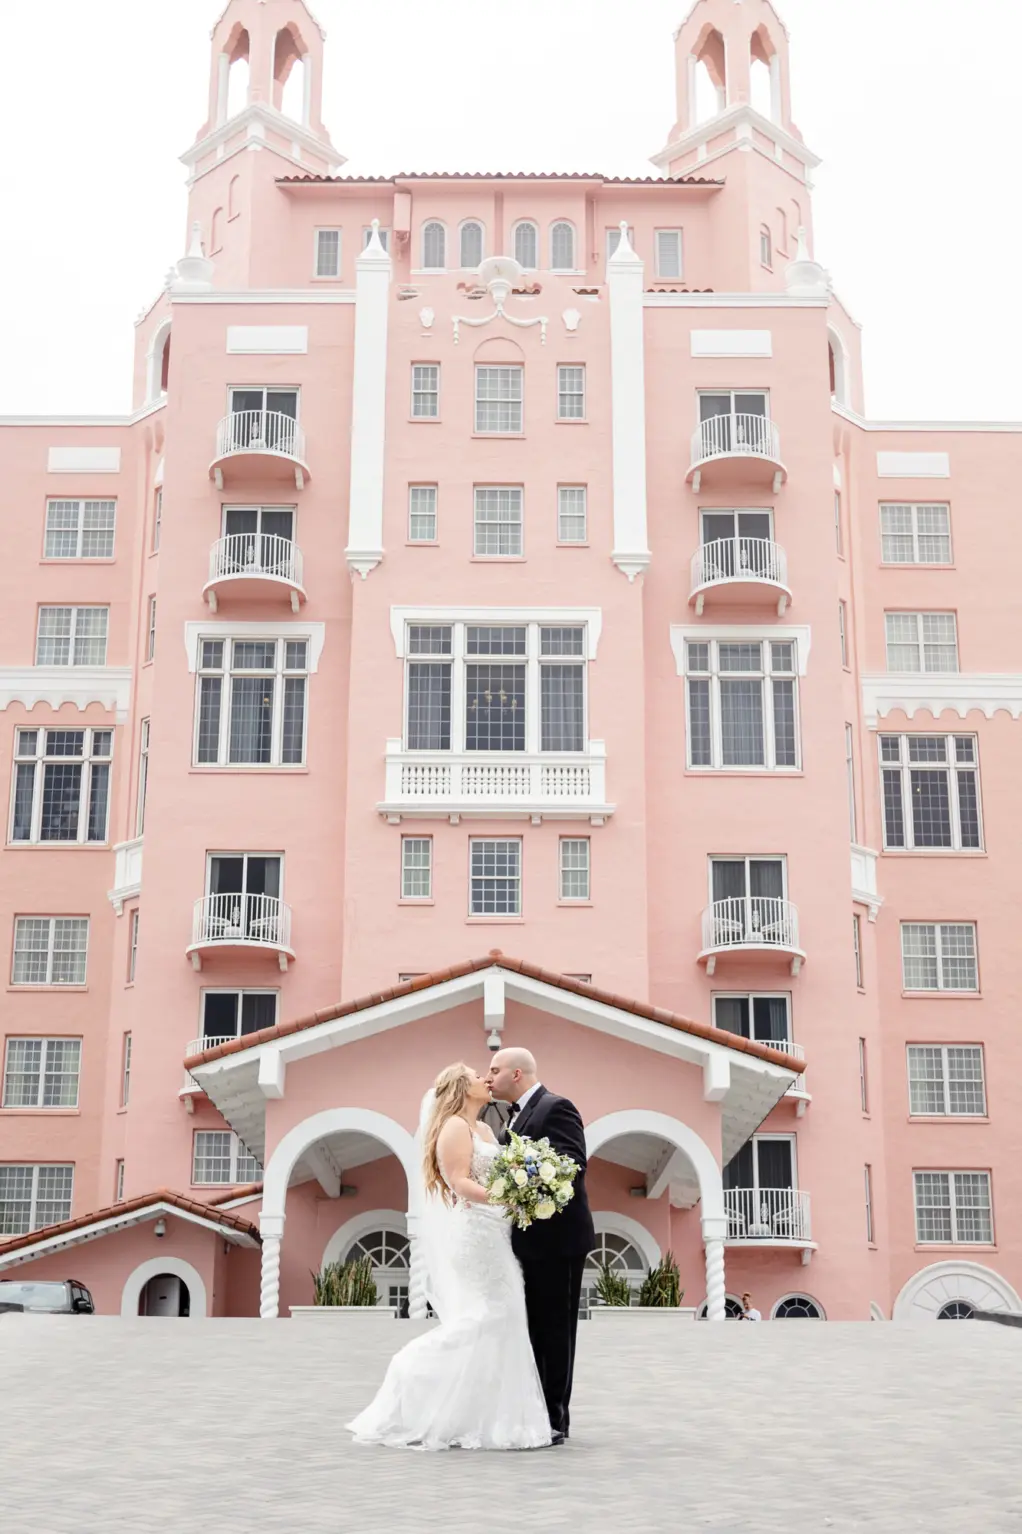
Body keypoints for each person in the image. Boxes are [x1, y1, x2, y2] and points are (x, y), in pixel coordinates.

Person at [346, 1062, 552, 1451]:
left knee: (507, 1317)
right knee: (490, 1315)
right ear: (461, 1086)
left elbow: (498, 1172)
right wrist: (509, 1197)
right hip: (475, 1234)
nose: (485, 1080)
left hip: (497, 1232)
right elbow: (459, 1181)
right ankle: (411, 1368)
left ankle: (494, 1419)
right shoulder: (454, 1127)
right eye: (478, 1076)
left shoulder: (486, 1129)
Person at [485, 1047, 595, 1444]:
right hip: (530, 1241)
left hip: (558, 1240)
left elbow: (573, 1164)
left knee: (555, 1331)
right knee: (534, 1330)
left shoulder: (556, 1107)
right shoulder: (511, 1117)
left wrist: (522, 1184)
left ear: (517, 1074)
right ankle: (537, 1411)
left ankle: (555, 1421)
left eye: (494, 1070)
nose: (489, 1077)